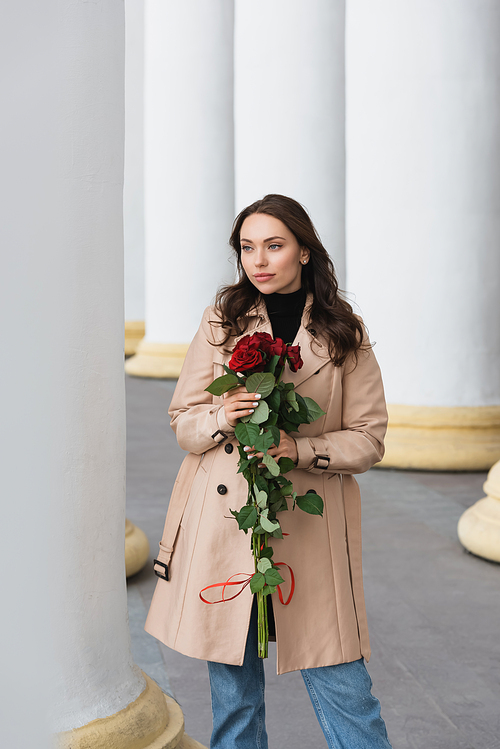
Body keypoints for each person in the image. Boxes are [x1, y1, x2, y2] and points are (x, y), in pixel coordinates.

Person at [145, 194, 392, 749]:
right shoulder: (221, 321)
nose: (258, 260)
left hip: (306, 525)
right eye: (247, 247)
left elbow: (369, 438)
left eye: (274, 245)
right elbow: (183, 420)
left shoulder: (344, 331)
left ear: (304, 251)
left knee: (343, 685)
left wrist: (298, 450)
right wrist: (220, 415)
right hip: (226, 523)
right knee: (234, 697)